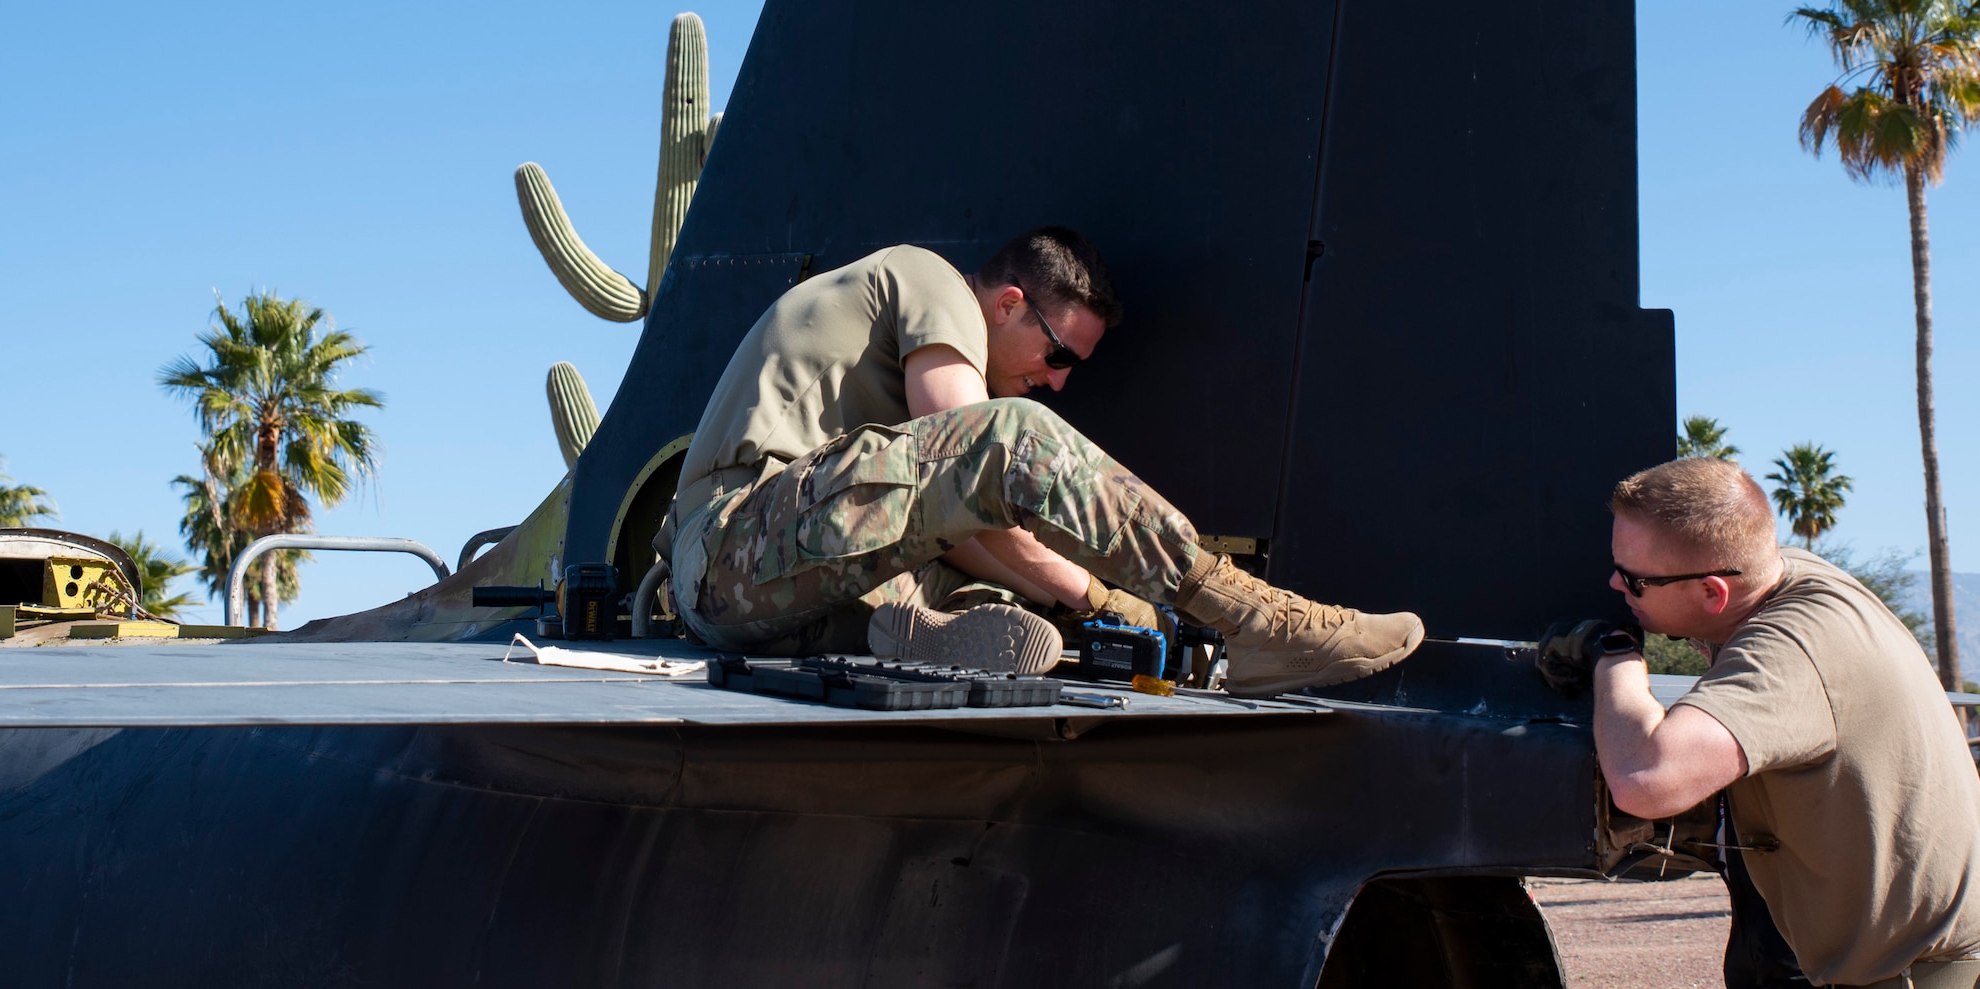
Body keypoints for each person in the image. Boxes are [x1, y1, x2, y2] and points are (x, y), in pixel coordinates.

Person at [666, 227, 1424, 696]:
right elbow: (970, 453)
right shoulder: (929, 278)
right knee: (1008, 437)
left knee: (1015, 597)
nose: (1060, 379)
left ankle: (914, 629)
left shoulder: (911, 391)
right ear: (1006, 303)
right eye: (1056, 351)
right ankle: (1250, 614)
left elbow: (947, 510)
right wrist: (1104, 597)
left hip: (795, 599)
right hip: (731, 549)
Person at [1540, 457, 1980, 988]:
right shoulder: (1781, 574)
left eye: (1635, 580)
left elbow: (1646, 779)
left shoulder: (1789, 649)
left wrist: (1613, 654)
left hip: (1917, 975)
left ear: (1712, 593)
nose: (1615, 584)